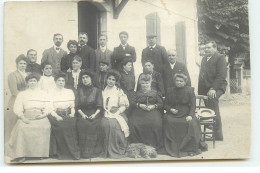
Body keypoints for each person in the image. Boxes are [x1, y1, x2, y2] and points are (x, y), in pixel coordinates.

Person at [5, 73, 51, 163]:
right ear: (27, 83)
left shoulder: (43, 94)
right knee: (22, 128)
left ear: (37, 82)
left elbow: (48, 106)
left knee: (45, 126)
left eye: (34, 81)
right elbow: (18, 108)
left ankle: (39, 154)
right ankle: (21, 154)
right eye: (30, 81)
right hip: (26, 116)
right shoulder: (22, 94)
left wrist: (43, 115)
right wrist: (22, 117)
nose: (33, 83)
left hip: (40, 116)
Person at [163, 73, 201, 157]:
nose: (178, 82)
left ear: (185, 82)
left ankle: (189, 148)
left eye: (181, 81)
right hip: (173, 113)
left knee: (191, 123)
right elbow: (165, 105)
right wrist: (170, 109)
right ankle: (171, 146)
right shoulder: (170, 90)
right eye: (177, 80)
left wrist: (190, 115)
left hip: (186, 113)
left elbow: (193, 105)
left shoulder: (190, 90)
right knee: (168, 121)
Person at [198, 41, 227, 141]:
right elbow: (202, 75)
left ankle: (218, 135)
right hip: (205, 88)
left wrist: (213, 89)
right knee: (208, 110)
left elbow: (221, 75)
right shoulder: (204, 59)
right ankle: (211, 130)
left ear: (215, 48)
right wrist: (200, 91)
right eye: (205, 48)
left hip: (217, 87)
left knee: (214, 108)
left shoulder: (220, 57)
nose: (206, 49)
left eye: (209, 48)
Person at [48, 72, 80, 160]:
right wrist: (56, 116)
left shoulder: (69, 92)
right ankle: (63, 153)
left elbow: (72, 106)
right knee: (61, 127)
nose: (61, 82)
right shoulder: (51, 92)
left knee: (72, 125)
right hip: (56, 115)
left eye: (63, 81)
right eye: (59, 80)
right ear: (55, 82)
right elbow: (50, 108)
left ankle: (73, 153)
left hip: (68, 114)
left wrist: (72, 113)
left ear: (65, 82)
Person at [129, 75, 163, 150]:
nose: (145, 85)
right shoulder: (136, 93)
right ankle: (138, 145)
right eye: (143, 83)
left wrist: (153, 106)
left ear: (150, 83)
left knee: (156, 124)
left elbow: (161, 104)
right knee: (134, 123)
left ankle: (153, 145)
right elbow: (132, 103)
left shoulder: (156, 93)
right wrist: (140, 105)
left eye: (147, 83)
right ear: (140, 83)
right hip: (139, 111)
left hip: (152, 111)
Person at [100, 70, 130, 158]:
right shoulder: (103, 91)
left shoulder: (119, 91)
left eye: (113, 80)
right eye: (109, 79)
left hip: (118, 113)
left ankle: (116, 148)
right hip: (106, 113)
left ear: (116, 81)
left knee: (113, 124)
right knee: (105, 124)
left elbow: (123, 106)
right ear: (106, 79)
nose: (111, 81)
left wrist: (117, 112)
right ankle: (106, 150)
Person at [75, 70, 104, 158]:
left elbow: (99, 106)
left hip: (95, 113)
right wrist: (82, 115)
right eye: (83, 78)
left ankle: (92, 152)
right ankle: (83, 152)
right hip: (81, 113)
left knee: (93, 125)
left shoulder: (97, 90)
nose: (85, 79)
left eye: (87, 77)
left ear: (91, 79)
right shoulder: (78, 90)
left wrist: (94, 115)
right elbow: (77, 106)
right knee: (82, 124)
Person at [5, 55, 29, 143]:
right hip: (15, 101)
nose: (23, 65)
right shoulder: (12, 75)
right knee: (13, 123)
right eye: (21, 63)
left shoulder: (28, 75)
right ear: (17, 64)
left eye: (24, 63)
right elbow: (14, 91)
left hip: (27, 102)